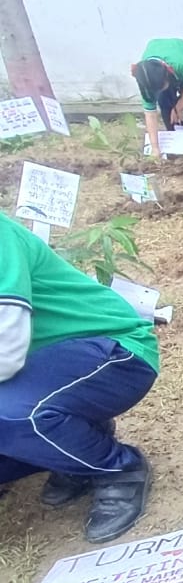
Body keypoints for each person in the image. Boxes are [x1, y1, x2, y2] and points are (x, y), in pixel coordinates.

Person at [0, 215, 157, 543]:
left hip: (113, 350)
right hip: (41, 367)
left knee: (9, 415)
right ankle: (73, 441)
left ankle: (118, 469)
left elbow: (7, 348)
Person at [132, 38, 183, 160]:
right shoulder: (145, 79)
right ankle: (177, 146)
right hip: (161, 68)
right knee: (165, 105)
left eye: (162, 86)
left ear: (167, 74)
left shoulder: (179, 64)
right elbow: (150, 114)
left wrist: (179, 107)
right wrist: (155, 148)